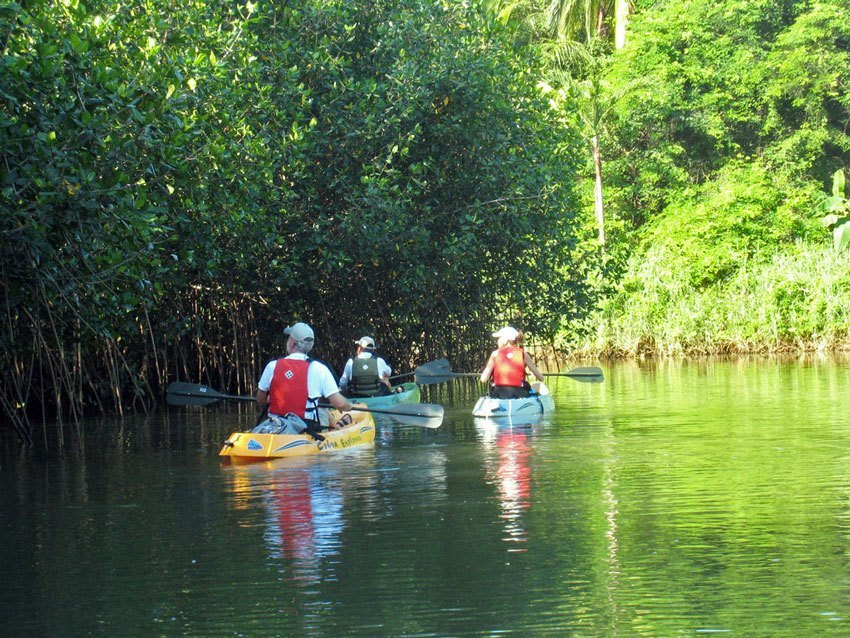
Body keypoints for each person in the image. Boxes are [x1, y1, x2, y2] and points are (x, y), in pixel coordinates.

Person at [256, 322, 355, 435]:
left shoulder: (272, 366)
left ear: (292, 342)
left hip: (275, 426)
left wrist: (271, 401)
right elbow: (340, 404)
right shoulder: (319, 369)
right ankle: (333, 428)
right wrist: (350, 406)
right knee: (323, 413)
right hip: (305, 428)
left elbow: (260, 398)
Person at [479, 326, 545, 399]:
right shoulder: (523, 354)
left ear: (505, 339)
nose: (497, 341)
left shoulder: (495, 354)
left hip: (498, 393)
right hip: (518, 393)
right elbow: (541, 378)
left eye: (499, 338)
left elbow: (483, 379)